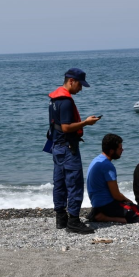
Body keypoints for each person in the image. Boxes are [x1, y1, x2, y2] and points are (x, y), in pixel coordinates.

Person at [48, 68, 100, 234]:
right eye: (80, 84)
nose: (81, 88)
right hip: (68, 148)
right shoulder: (66, 101)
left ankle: (61, 218)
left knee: (60, 182)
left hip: (56, 146)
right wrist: (86, 123)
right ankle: (74, 221)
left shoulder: (54, 99)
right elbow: (66, 127)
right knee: (74, 184)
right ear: (71, 81)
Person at [86, 134, 139, 224]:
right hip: (106, 204)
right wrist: (128, 200)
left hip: (96, 203)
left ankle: (99, 214)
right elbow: (116, 195)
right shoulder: (108, 166)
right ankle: (104, 217)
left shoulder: (97, 160)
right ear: (111, 151)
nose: (122, 150)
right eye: (120, 148)